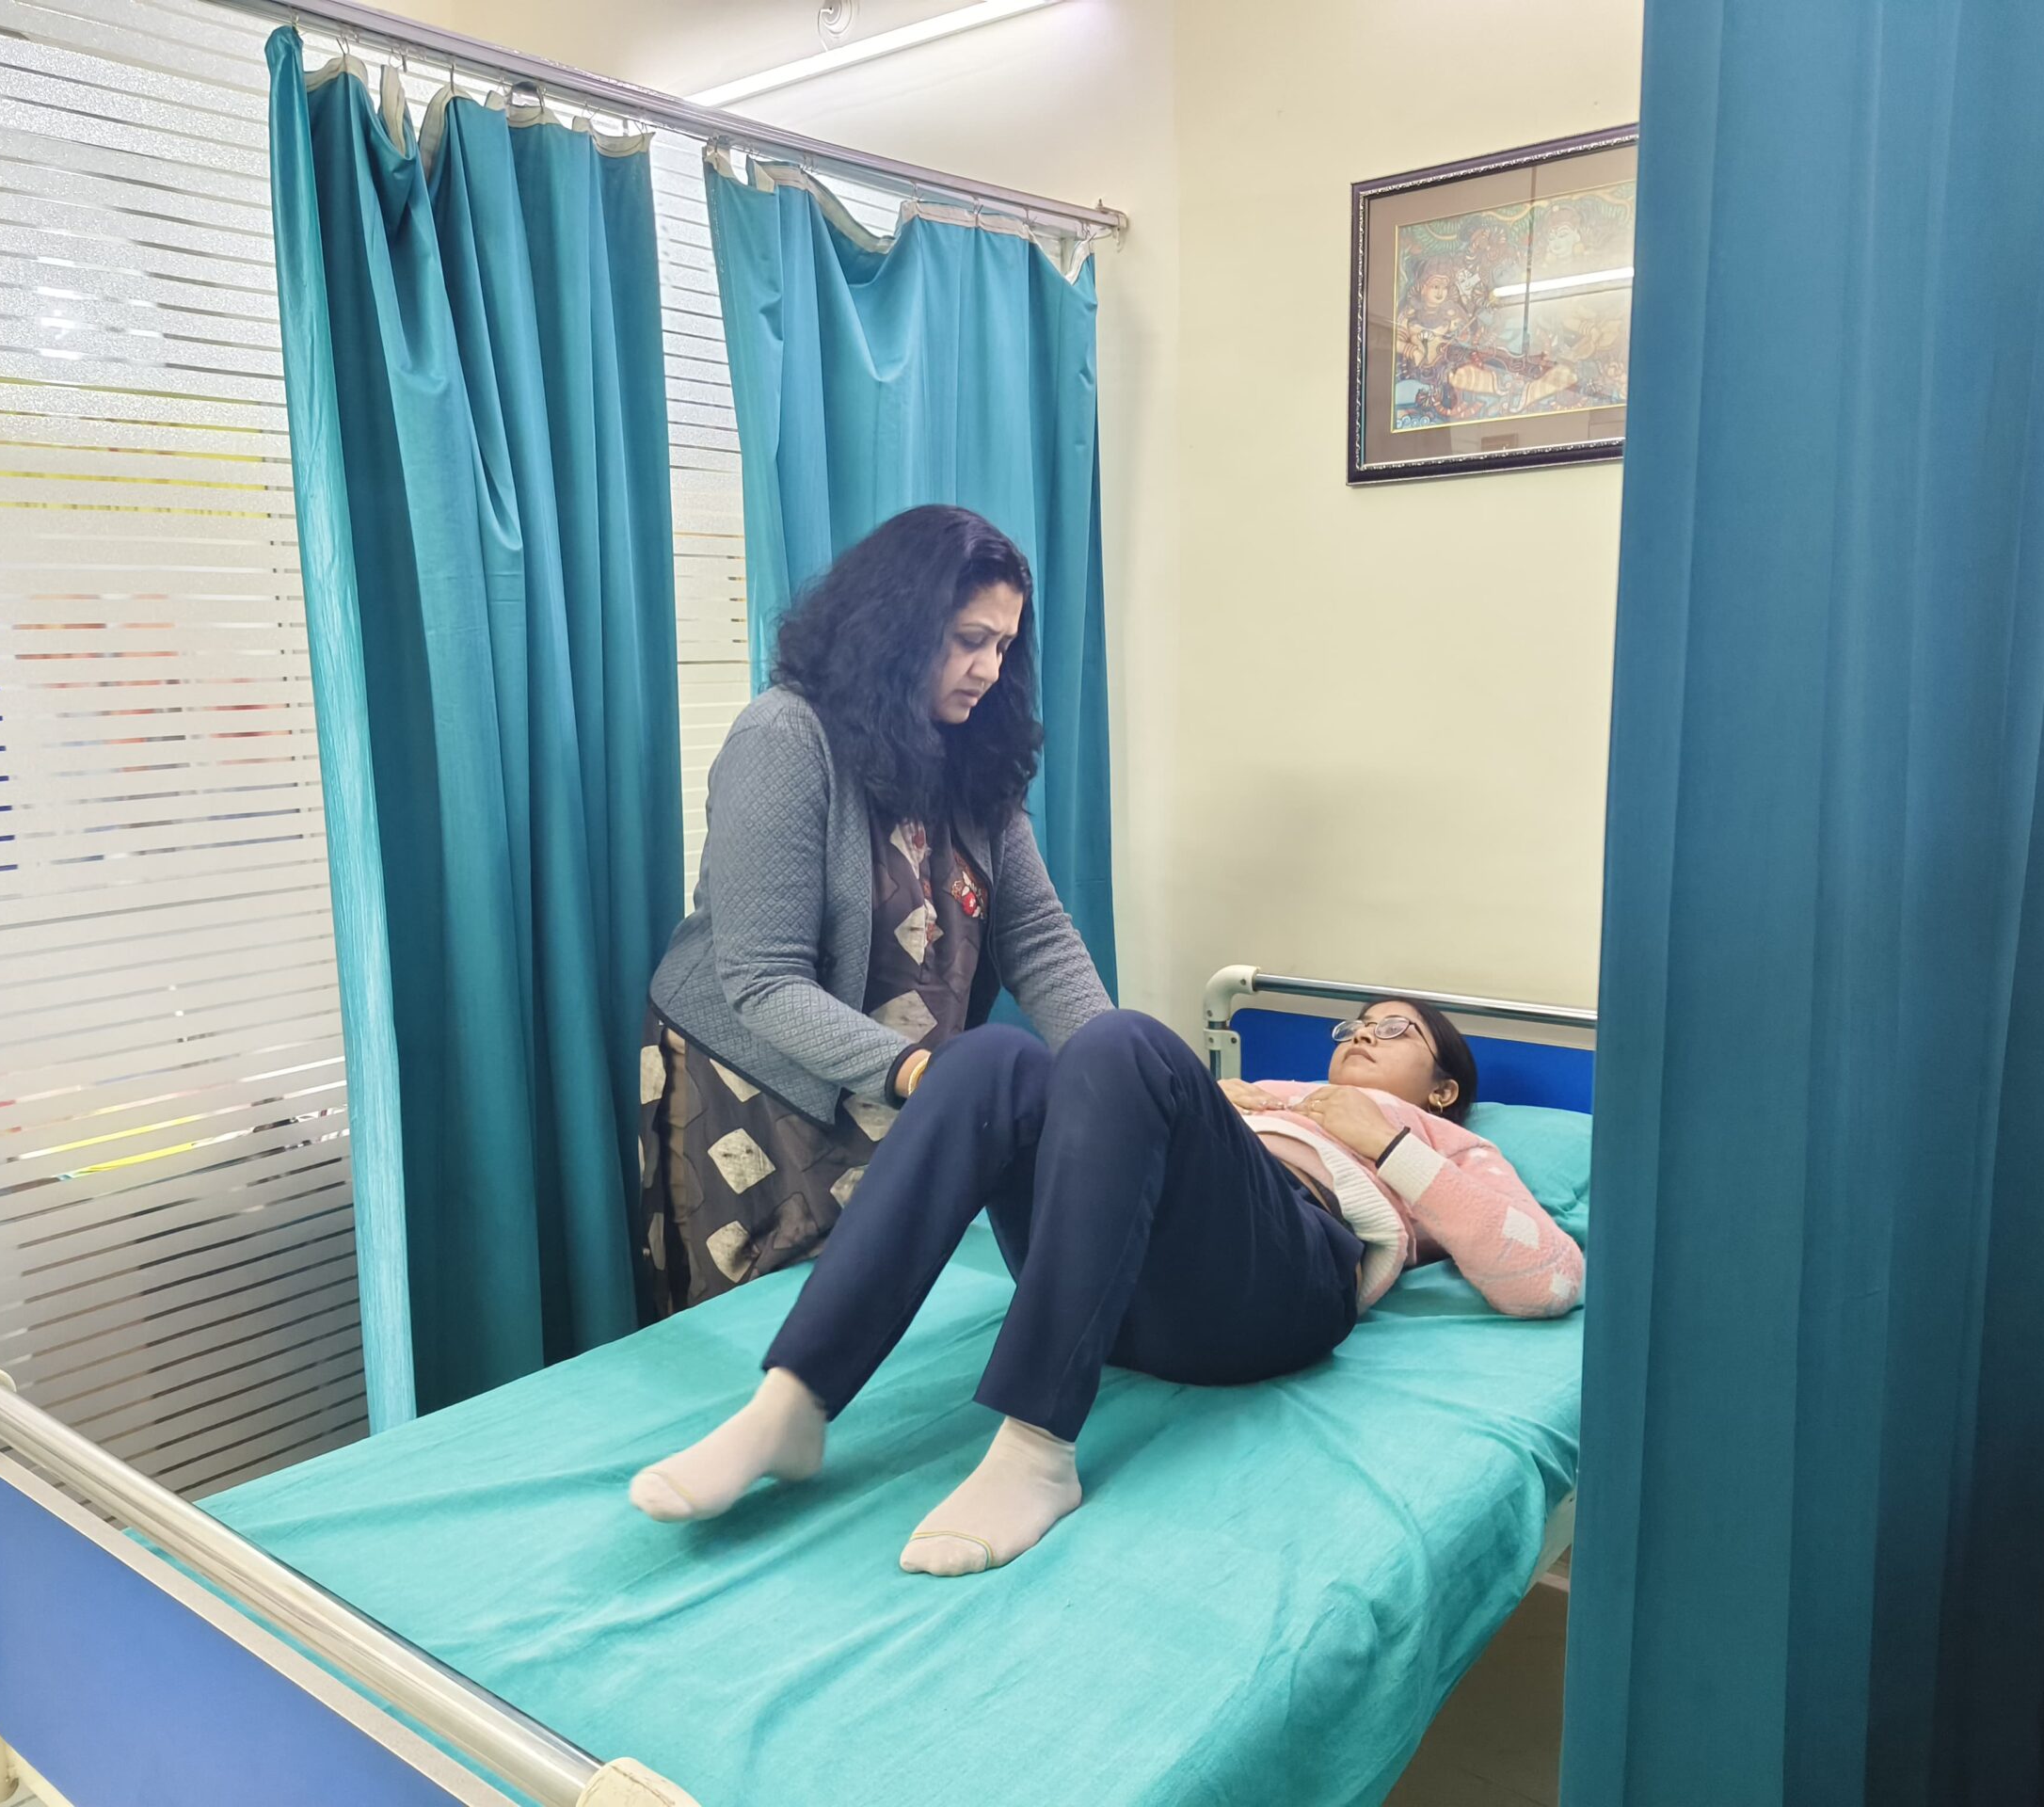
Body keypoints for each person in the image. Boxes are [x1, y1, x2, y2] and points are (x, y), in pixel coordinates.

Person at [630, 997, 1585, 1576]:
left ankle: (1036, 1448)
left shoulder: (1448, 1143)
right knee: (993, 1057)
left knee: (1125, 1038)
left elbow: (1546, 1280)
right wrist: (1224, 1108)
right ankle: (795, 1400)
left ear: (1444, 1086)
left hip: (1273, 1293)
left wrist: (1387, 1142)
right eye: (1354, 1025)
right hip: (1112, 1282)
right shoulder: (1257, 1095)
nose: (1362, 1035)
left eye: (1394, 1029)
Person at [635, 504, 1111, 1318]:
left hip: (900, 1077)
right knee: (757, 1330)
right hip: (755, 1087)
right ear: (897, 627)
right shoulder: (784, 737)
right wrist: (921, 1073)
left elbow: (1037, 939)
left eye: (1003, 646)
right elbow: (763, 979)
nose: (989, 670)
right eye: (969, 640)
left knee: (883, 1317)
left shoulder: (973, 748)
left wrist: (1113, 1066)